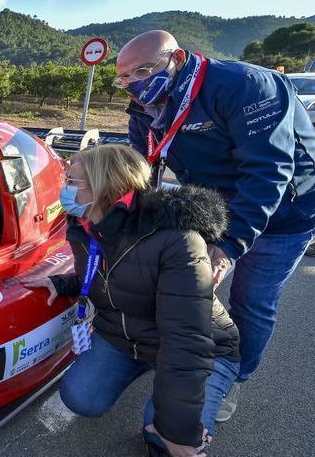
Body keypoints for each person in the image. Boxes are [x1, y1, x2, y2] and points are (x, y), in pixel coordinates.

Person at [116, 30, 315, 421]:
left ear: (175, 60)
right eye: (123, 78)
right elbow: (139, 170)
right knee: (186, 283)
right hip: (210, 203)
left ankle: (232, 377)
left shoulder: (245, 86)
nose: (132, 84)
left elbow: (268, 171)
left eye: (141, 71)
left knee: (252, 301)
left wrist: (229, 245)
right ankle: (176, 357)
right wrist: (120, 220)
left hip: (285, 210)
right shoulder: (144, 104)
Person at [23, 145, 240, 457]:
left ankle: (217, 383)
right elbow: (110, 274)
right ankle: (157, 376)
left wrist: (177, 430)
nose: (63, 190)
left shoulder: (176, 238)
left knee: (165, 434)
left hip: (200, 346)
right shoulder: (85, 226)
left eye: (71, 182)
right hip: (127, 339)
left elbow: (186, 338)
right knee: (80, 397)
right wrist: (62, 282)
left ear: (105, 187)